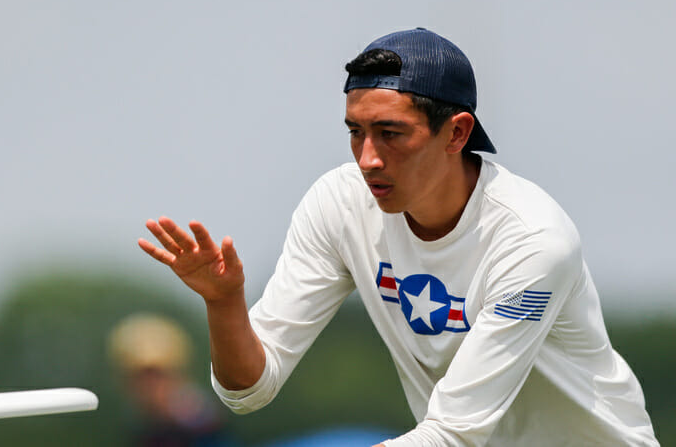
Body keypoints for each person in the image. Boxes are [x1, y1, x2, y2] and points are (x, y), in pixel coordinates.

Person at [138, 28, 659, 446]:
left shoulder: (533, 240)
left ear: (456, 132)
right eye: (355, 132)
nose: (367, 159)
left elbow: (453, 433)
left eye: (391, 134)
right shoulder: (339, 203)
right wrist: (225, 304)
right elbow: (247, 391)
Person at [108, 313, 233, 447]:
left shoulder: (203, 426)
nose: (148, 387)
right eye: (139, 378)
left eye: (156, 376)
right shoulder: (144, 427)